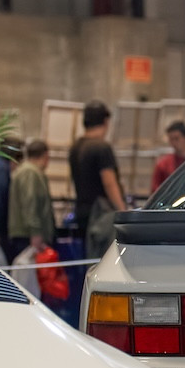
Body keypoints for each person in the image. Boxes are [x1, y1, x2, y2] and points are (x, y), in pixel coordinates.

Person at [69, 100, 125, 259]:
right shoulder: (102, 147)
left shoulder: (76, 147)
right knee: (104, 261)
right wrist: (122, 211)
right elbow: (109, 183)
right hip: (101, 216)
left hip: (82, 212)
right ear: (106, 122)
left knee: (88, 261)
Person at [8, 139, 54, 259]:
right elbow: (30, 202)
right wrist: (36, 233)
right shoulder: (30, 172)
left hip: (27, 234)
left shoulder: (28, 171)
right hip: (27, 235)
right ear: (46, 156)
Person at [150, 120, 185, 192]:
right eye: (171, 139)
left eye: (177, 139)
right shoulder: (163, 165)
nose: (173, 143)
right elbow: (155, 190)